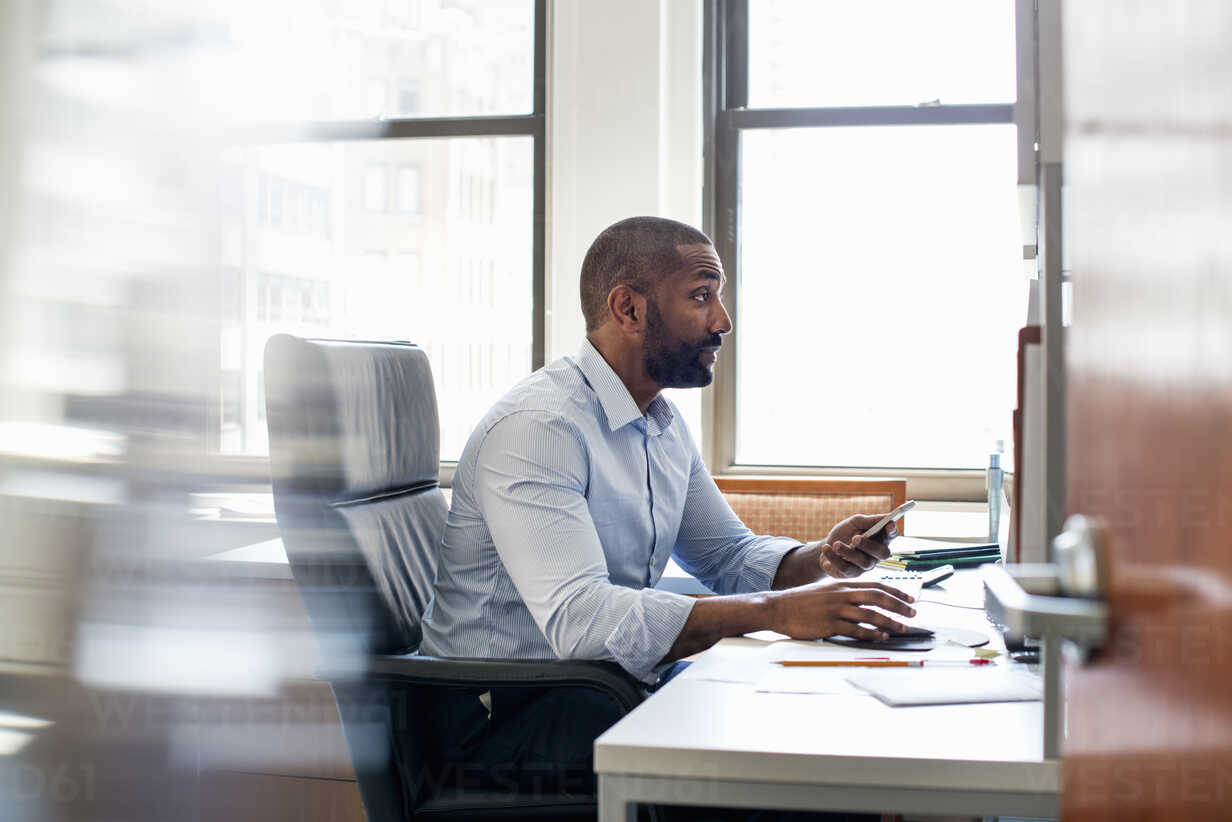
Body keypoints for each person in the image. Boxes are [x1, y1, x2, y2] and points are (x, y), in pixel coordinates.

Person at [416, 216, 915, 800]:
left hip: (593, 692)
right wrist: (775, 612)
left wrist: (822, 561)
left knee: (815, 741)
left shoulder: (660, 422)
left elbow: (728, 555)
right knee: (796, 776)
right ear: (628, 309)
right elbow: (583, 621)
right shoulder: (539, 427)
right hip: (502, 723)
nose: (722, 321)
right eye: (702, 297)